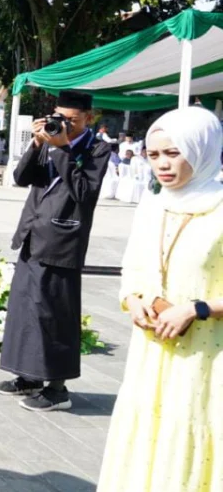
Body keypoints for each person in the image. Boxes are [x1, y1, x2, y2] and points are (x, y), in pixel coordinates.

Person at [97, 107, 223, 491]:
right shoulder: (153, 204)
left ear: (201, 148)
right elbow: (133, 269)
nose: (162, 165)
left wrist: (196, 309)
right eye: (154, 155)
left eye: (174, 153)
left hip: (207, 356)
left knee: (194, 431)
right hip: (152, 350)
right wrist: (134, 300)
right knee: (147, 431)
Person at [0, 90, 111, 411]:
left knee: (56, 314)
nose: (66, 125)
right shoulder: (49, 139)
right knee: (25, 310)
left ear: (89, 118)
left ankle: (57, 389)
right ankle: (29, 376)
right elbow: (22, 178)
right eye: (61, 118)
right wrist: (36, 144)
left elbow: (84, 192)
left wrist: (62, 148)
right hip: (33, 234)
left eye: (73, 120)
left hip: (63, 241)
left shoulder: (98, 148)